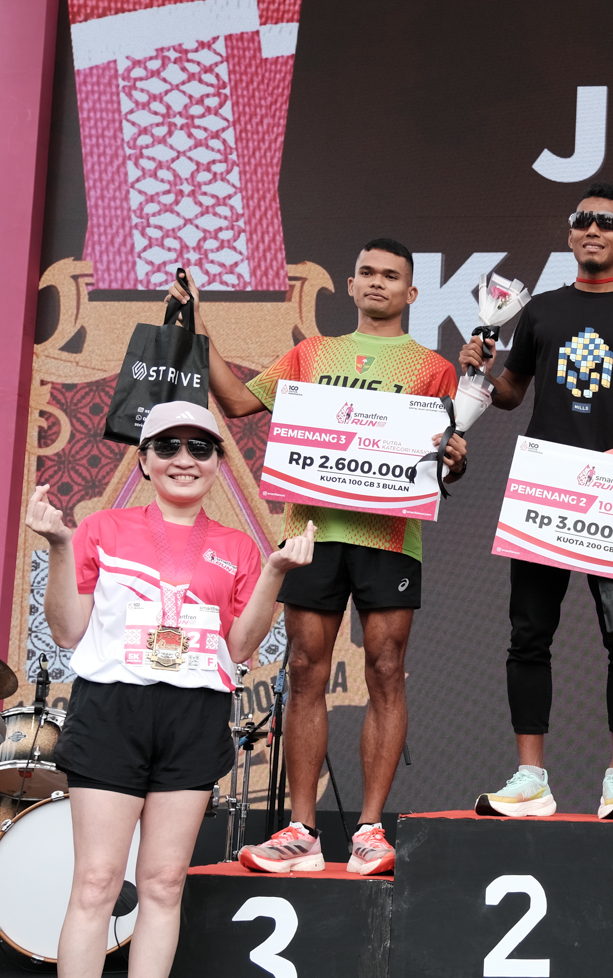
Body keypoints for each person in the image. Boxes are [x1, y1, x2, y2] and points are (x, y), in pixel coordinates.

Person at [31, 400, 315, 978]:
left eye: (200, 447)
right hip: (113, 710)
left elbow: (242, 647)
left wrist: (275, 571)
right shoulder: (101, 529)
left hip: (193, 715)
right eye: (168, 446)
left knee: (161, 884)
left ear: (218, 462)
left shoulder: (238, 547)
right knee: (97, 882)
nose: (184, 459)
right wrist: (60, 546)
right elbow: (66, 630)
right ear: (145, 459)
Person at [171, 240, 464, 875]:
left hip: (390, 538)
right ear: (350, 286)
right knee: (306, 670)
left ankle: (369, 831)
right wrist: (198, 327)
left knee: (386, 670)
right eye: (367, 273)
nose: (378, 282)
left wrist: (455, 459)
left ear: (412, 293)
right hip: (310, 534)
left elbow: (441, 459)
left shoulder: (435, 369)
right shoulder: (312, 353)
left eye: (391, 276)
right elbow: (238, 401)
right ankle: (302, 831)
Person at [458, 182, 613, 819]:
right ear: (569, 234)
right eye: (583, 220)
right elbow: (511, 394)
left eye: (608, 223)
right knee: (529, 634)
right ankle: (531, 777)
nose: (594, 230)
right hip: (548, 488)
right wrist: (482, 371)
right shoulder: (542, 311)